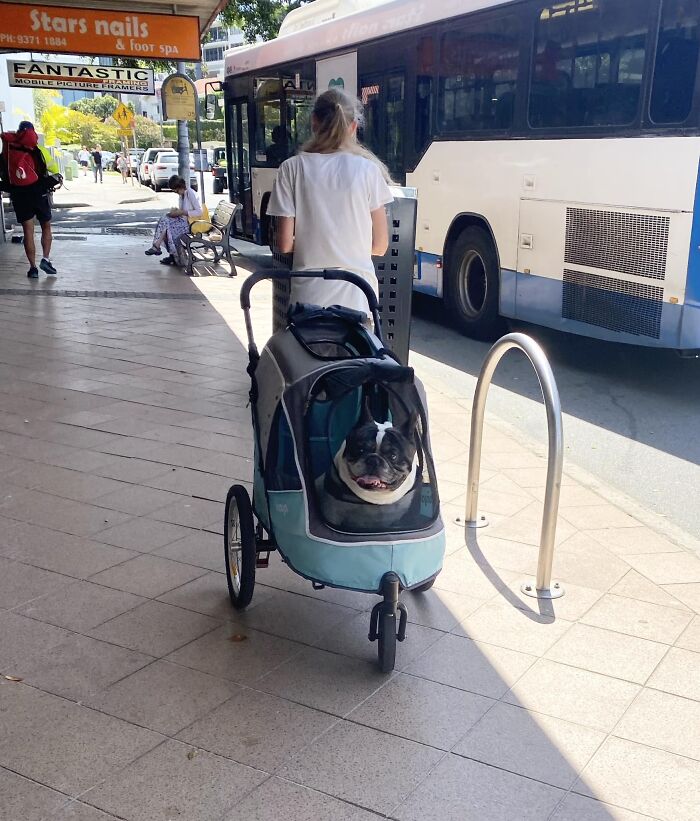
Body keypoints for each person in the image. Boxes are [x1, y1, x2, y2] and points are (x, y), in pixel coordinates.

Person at [266, 88, 394, 316]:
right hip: (358, 297)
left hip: (308, 298)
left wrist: (316, 247)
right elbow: (381, 245)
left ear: (314, 122)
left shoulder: (291, 168)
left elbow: (284, 244)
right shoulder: (368, 170)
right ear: (353, 127)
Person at [0, 121, 59, 279]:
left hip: (19, 195)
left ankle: (32, 268)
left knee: (28, 231)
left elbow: (4, 172)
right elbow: (55, 170)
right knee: (46, 226)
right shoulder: (39, 150)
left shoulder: (8, 150)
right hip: (38, 193)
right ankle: (45, 259)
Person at [145, 174, 202, 266]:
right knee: (164, 218)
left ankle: (158, 247)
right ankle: (158, 247)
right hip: (183, 222)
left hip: (191, 225)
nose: (175, 192)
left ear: (180, 187)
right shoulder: (182, 195)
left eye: (175, 189)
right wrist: (175, 212)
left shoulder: (190, 193)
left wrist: (182, 212)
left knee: (167, 226)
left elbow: (199, 212)